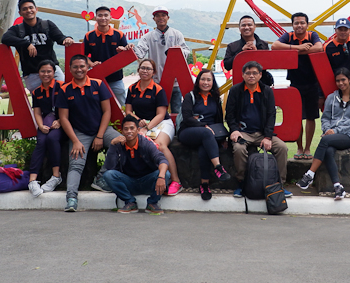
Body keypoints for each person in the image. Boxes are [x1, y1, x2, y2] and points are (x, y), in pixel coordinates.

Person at [113, 58, 182, 196]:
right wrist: (139, 122)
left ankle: (176, 181)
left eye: (148, 69)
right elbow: (128, 111)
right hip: (140, 123)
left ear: (153, 72)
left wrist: (147, 127)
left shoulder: (158, 89)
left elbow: (161, 114)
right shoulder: (132, 88)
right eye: (142, 68)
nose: (145, 71)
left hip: (161, 123)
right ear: (138, 70)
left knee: (160, 145)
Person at [55, 54, 113, 212]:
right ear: (70, 69)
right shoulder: (65, 89)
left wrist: (100, 136)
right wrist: (75, 141)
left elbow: (107, 111)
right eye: (75, 67)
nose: (79, 69)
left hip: (102, 129)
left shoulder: (98, 84)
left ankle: (100, 178)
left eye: (82, 66)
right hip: (80, 133)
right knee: (76, 163)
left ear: (88, 67)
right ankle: (71, 198)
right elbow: (63, 118)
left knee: (120, 143)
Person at [225, 60, 290, 198]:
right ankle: (241, 183)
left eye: (255, 73)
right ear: (243, 75)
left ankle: (279, 184)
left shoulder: (267, 91)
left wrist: (267, 137)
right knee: (239, 149)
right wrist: (234, 130)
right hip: (243, 133)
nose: (251, 76)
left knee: (282, 148)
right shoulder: (235, 90)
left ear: (260, 75)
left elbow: (271, 114)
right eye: (248, 73)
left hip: (262, 133)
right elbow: (229, 114)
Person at [297, 67, 350, 200]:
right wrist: (327, 130)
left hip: (347, 136)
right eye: (338, 81)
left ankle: (310, 174)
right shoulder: (331, 98)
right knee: (328, 151)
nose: (340, 83)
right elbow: (325, 118)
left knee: (325, 141)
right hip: (330, 136)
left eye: (343, 80)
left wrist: (335, 131)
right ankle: (338, 187)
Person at [272, 12, 324, 161]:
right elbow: (275, 46)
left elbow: (319, 48)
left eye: (302, 23)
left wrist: (294, 51)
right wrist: (299, 48)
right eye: (296, 23)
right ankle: (299, 148)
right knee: (297, 118)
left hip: (312, 82)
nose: (299, 25)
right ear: (292, 25)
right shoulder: (289, 36)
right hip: (295, 83)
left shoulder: (312, 35)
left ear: (307, 24)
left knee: (311, 117)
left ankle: (307, 148)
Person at [98, 115, 170, 214]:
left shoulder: (146, 143)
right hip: (129, 182)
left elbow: (162, 160)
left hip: (148, 181)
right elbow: (109, 167)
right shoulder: (118, 144)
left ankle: (152, 203)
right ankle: (130, 202)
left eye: (132, 128)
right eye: (126, 129)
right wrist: (112, 145)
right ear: (122, 132)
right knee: (108, 175)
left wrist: (161, 177)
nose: (129, 131)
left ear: (138, 130)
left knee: (165, 174)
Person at [178, 69, 232, 200]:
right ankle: (218, 167)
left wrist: (222, 138)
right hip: (188, 131)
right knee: (206, 133)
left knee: (204, 149)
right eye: (203, 79)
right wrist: (204, 126)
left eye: (209, 80)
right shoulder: (190, 96)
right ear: (198, 81)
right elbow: (187, 118)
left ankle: (204, 184)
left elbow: (219, 120)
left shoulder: (215, 98)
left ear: (213, 82)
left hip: (208, 134)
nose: (206, 82)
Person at [1, 0, 75, 91]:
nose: (29, 10)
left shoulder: (47, 25)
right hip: (32, 73)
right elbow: (5, 38)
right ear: (20, 13)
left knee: (62, 94)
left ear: (36, 9)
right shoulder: (17, 29)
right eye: (25, 9)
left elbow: (60, 38)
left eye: (31, 7)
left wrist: (67, 39)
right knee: (39, 99)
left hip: (52, 70)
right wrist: (26, 44)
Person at [131, 6, 189, 114]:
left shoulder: (176, 34)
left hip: (175, 82)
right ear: (154, 19)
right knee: (157, 112)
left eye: (163, 15)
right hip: (156, 81)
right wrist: (129, 48)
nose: (160, 18)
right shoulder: (148, 37)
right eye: (157, 16)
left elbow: (186, 52)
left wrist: (178, 51)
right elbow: (139, 52)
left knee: (177, 112)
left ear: (168, 17)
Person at [26, 60, 65, 197]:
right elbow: (37, 112)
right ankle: (32, 180)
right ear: (38, 73)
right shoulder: (37, 92)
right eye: (43, 71)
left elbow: (71, 107)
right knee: (41, 142)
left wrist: (60, 121)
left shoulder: (62, 87)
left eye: (49, 71)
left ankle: (56, 176)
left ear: (54, 73)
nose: (46, 74)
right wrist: (40, 125)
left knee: (52, 139)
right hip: (46, 124)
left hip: (62, 123)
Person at [83, 5, 131, 106]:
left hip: (116, 78)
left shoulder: (119, 34)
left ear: (110, 18)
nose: (103, 18)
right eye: (100, 15)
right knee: (97, 105)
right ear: (96, 18)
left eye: (106, 15)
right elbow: (83, 56)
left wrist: (123, 50)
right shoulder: (89, 36)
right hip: (97, 78)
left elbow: (127, 53)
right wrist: (91, 64)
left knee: (122, 105)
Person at [223, 14, 273, 86]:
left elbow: (268, 64)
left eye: (249, 25)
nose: (246, 27)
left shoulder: (263, 44)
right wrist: (241, 52)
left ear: (254, 27)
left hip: (262, 85)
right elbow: (227, 66)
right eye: (243, 25)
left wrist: (256, 53)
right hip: (240, 84)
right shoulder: (232, 46)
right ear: (239, 28)